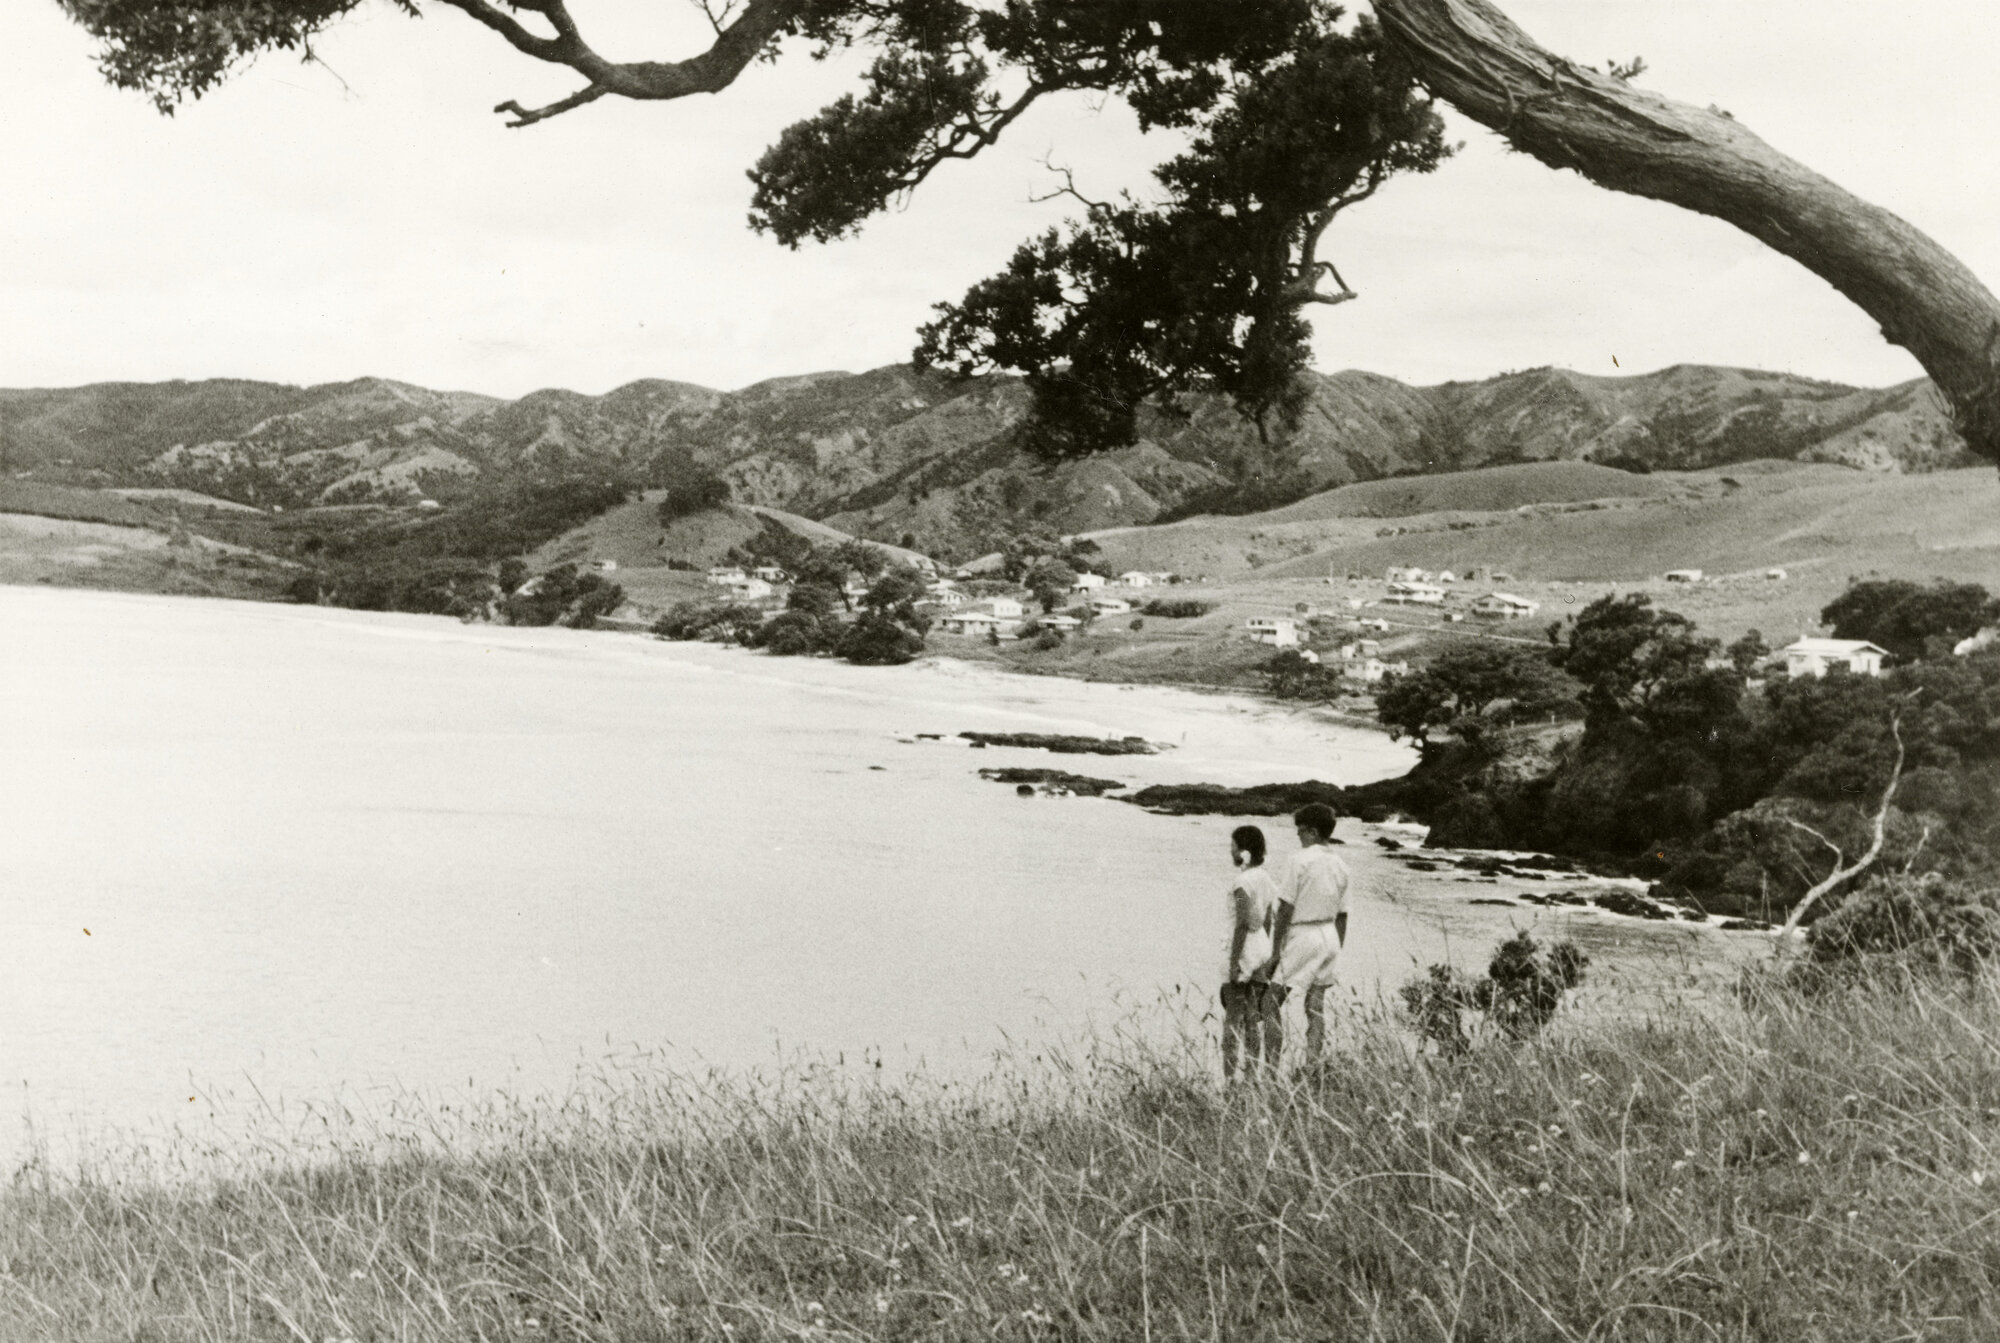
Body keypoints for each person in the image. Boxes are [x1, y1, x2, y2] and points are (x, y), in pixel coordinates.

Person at [1257, 802, 1349, 1064]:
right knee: (1315, 1005)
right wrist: (1336, 951)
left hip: (1304, 934)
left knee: (1271, 1002)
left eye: (1300, 830)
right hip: (1330, 935)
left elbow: (1285, 908)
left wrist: (1275, 953)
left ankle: (1272, 1071)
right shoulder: (1341, 865)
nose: (1298, 836)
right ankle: (1312, 1066)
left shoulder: (1298, 861)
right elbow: (1343, 914)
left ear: (1312, 832)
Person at [1218, 825, 1279, 1079]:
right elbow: (1267, 920)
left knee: (1233, 1015)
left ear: (1242, 851)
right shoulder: (1265, 878)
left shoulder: (1242, 882)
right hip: (1262, 945)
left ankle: (1230, 1078)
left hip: (1244, 948)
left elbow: (1241, 923)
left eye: (1232, 845)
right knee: (1253, 1015)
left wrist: (1233, 962)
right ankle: (1252, 1076)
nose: (1230, 850)